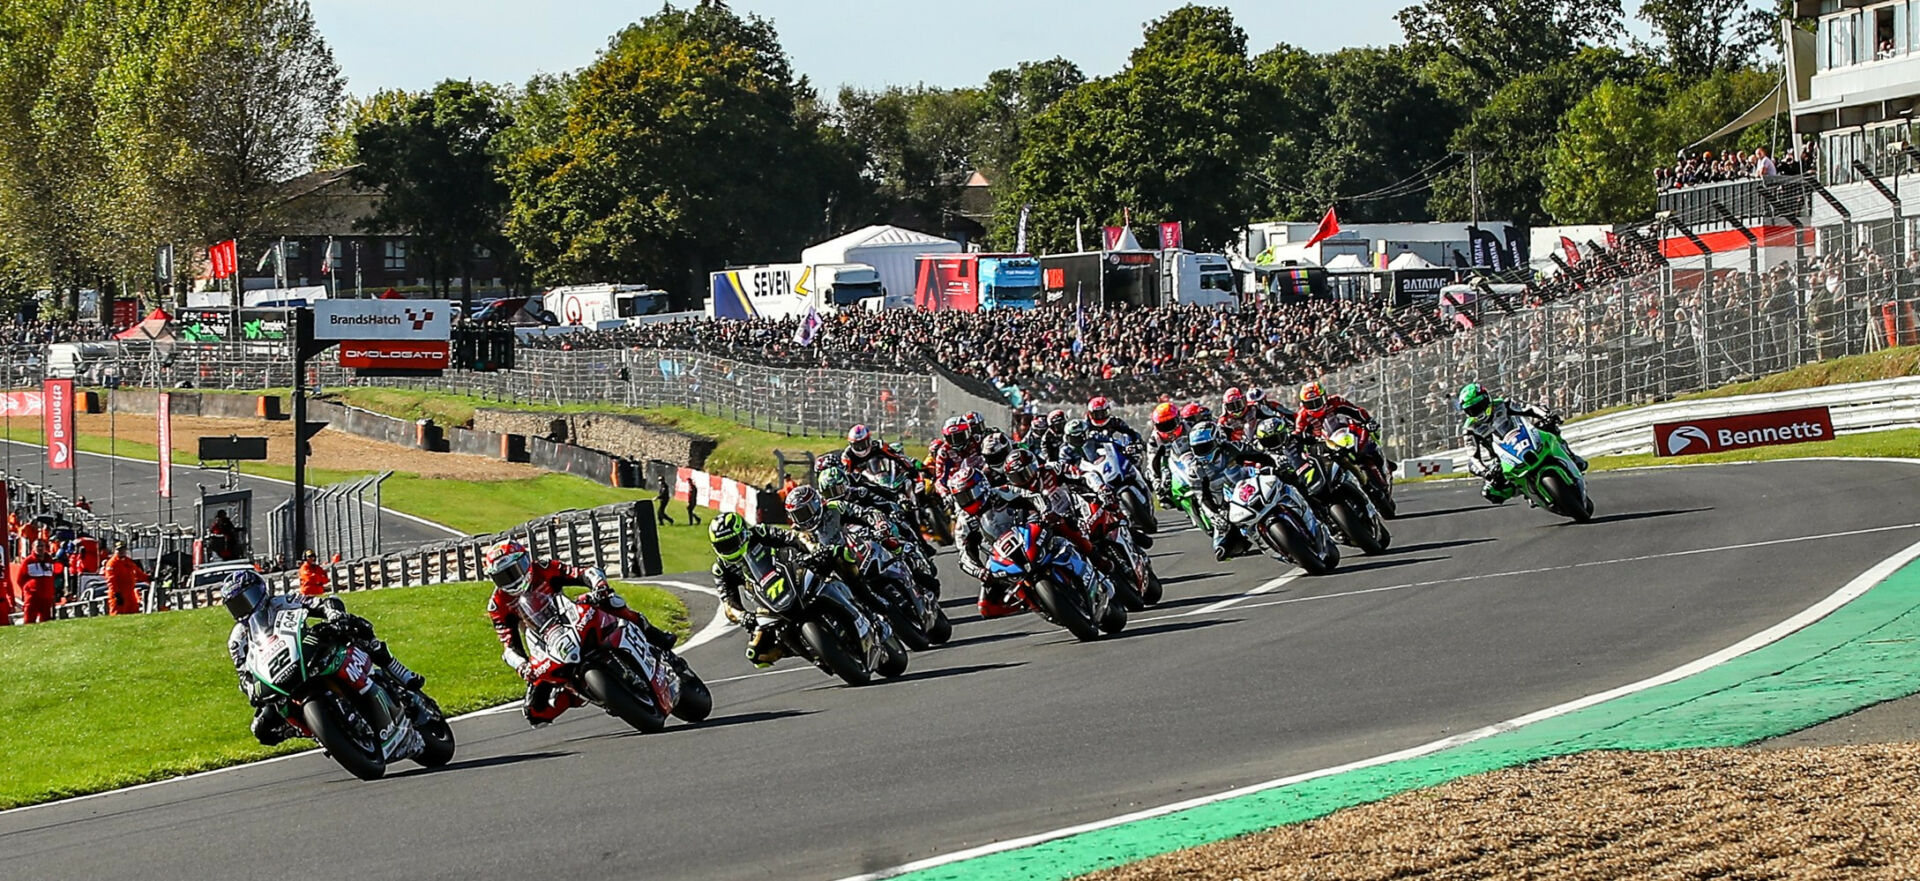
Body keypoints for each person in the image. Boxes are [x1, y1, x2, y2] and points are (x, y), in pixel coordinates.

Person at [483, 539, 681, 726]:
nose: (512, 579)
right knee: (534, 712)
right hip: (547, 643)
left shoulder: (542, 568)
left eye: (514, 570)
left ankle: (653, 634)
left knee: (611, 601)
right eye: (503, 576)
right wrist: (523, 667)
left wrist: (599, 586)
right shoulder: (498, 605)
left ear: (525, 561)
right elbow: (509, 645)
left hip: (571, 616)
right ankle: (575, 694)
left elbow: (582, 573)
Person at [224, 570, 421, 745]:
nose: (244, 608)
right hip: (279, 676)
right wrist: (251, 689)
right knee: (260, 729)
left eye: (246, 599)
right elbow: (244, 674)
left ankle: (397, 670)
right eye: (236, 605)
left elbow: (318, 603)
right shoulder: (237, 639)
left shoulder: (283, 602)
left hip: (308, 651)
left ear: (260, 591)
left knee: (354, 627)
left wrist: (333, 613)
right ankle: (308, 728)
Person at [947, 466, 1110, 618]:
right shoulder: (964, 521)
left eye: (969, 494)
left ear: (981, 486)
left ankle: (1095, 557)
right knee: (986, 607)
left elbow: (1031, 496)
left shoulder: (1002, 492)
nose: (966, 501)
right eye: (961, 497)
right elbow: (964, 554)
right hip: (1000, 556)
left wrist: (1045, 512)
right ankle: (1032, 603)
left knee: (1062, 523)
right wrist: (979, 571)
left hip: (1029, 530)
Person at [706, 513, 812, 667]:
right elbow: (728, 604)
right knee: (756, 654)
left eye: (732, 542)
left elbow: (791, 537)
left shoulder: (759, 533)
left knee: (832, 560)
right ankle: (798, 648)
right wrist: (742, 616)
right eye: (723, 546)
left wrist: (810, 553)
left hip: (793, 575)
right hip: (767, 603)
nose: (729, 549)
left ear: (743, 534)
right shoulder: (721, 569)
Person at [1458, 383, 1588, 504]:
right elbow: (1473, 456)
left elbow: (1528, 409)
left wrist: (1546, 415)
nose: (1478, 412)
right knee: (1490, 492)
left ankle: (1570, 456)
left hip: (1524, 437)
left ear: (1487, 399)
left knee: (1549, 428)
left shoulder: (1502, 404)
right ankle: (1525, 491)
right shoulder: (1469, 429)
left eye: (1479, 406)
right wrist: (1485, 471)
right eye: (1472, 410)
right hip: (1502, 458)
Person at [1185, 422, 1286, 561]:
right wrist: (1214, 516)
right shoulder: (1195, 470)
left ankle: (1310, 505)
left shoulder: (1232, 448)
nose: (1202, 452)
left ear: (1217, 441)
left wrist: (1275, 463)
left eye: (1205, 447)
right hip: (1228, 505)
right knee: (1221, 551)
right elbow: (1202, 497)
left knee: (1287, 476)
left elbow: (1260, 455)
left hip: (1253, 485)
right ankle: (1258, 541)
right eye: (1197, 449)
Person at [1294, 381, 1391, 479]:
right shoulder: (1302, 416)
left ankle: (1383, 470)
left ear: (1324, 397)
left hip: (1348, 432)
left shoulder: (1335, 401)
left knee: (1370, 444)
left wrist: (1368, 421)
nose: (1315, 407)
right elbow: (1298, 435)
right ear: (1303, 404)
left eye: (1318, 402)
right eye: (1310, 404)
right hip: (1327, 444)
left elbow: (1356, 411)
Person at [13, 540, 56, 623]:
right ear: (33, 547)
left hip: (46, 596)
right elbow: (20, 579)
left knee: (46, 620)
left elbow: (52, 577)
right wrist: (28, 590)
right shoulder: (28, 561)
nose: (40, 548)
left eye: (42, 546)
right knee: (29, 619)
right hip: (32, 596)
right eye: (38, 546)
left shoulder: (50, 560)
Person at [103, 542, 149, 615]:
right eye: (119, 550)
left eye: (123, 549)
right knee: (118, 614)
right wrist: (116, 594)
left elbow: (138, 573)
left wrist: (148, 578)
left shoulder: (128, 561)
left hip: (130, 593)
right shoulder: (112, 563)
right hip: (119, 594)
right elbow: (111, 581)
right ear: (115, 550)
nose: (122, 552)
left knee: (134, 613)